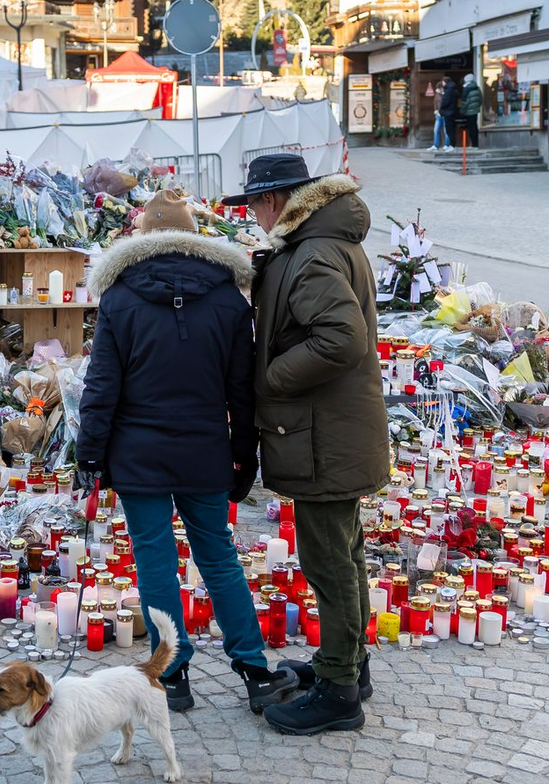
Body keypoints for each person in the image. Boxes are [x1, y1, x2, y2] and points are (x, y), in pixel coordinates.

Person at [75, 189, 299, 714]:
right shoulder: (228, 298)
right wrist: (244, 455)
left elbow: (102, 386)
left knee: (155, 560)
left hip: (138, 454)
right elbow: (241, 391)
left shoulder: (120, 297)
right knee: (218, 557)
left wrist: (90, 455)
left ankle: (171, 676)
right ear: (193, 238)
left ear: (143, 239)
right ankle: (254, 669)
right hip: (205, 450)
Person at [222, 155, 388, 736]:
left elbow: (341, 339)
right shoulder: (319, 242)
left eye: (254, 205)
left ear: (275, 201)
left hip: (325, 435)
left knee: (329, 561)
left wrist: (270, 378)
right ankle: (347, 665)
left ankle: (340, 692)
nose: (253, 216)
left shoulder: (314, 252)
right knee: (343, 553)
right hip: (330, 429)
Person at [437, 75, 458, 153]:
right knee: (451, 129)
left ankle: (452, 145)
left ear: (445, 82)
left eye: (443, 82)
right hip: (452, 111)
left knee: (449, 129)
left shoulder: (449, 90)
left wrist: (441, 110)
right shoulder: (453, 89)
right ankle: (452, 145)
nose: (442, 83)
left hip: (448, 112)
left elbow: (446, 101)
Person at [460, 73, 481, 148]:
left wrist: (462, 112)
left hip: (468, 112)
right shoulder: (477, 88)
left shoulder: (466, 89)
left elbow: (464, 102)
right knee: (474, 127)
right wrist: (477, 107)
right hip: (475, 111)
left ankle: (473, 144)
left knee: (470, 128)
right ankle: (476, 143)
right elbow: (481, 99)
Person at [430, 81, 451, 152]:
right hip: (438, 114)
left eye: (440, 88)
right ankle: (436, 145)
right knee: (436, 130)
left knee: (446, 130)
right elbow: (435, 102)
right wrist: (435, 110)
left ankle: (447, 145)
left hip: (445, 114)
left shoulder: (447, 93)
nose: (439, 89)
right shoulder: (437, 94)